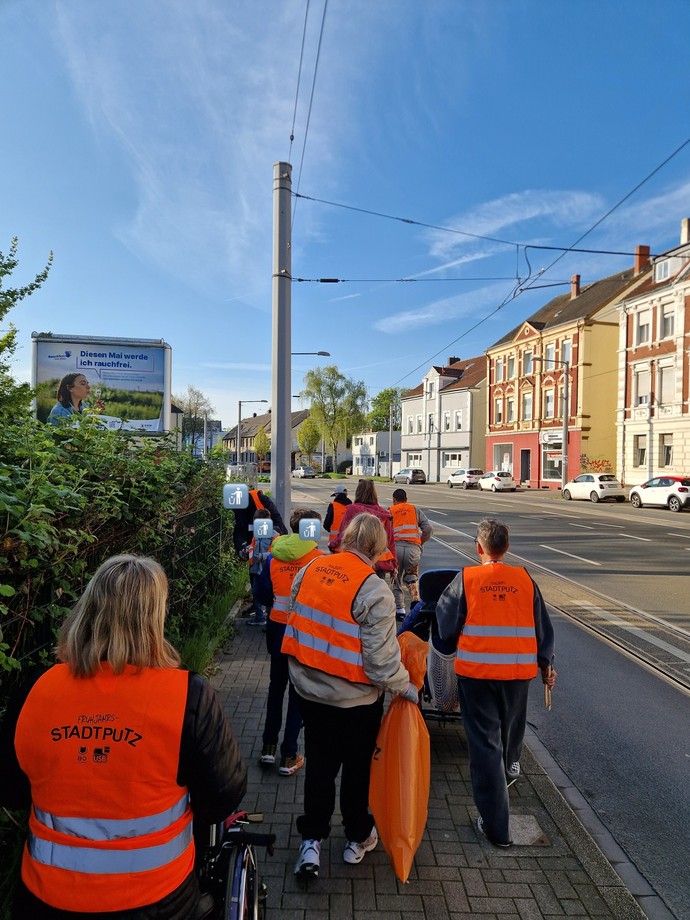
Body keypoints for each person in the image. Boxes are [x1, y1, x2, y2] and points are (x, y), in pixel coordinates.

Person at [0, 554, 247, 919]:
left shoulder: (37, 689)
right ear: (154, 618)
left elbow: (11, 789)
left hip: (45, 899)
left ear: (87, 610)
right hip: (157, 899)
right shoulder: (188, 696)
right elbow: (222, 795)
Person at [282, 513, 418, 880]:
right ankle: (357, 837)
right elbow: (380, 662)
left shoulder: (310, 570)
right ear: (377, 548)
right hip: (357, 702)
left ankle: (311, 841)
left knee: (320, 767)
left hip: (310, 692)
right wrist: (407, 688)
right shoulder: (374, 591)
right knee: (357, 770)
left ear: (344, 538)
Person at [431, 518, 556, 848]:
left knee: (485, 744)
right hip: (517, 676)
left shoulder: (467, 578)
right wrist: (547, 666)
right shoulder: (524, 579)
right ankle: (509, 774)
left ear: (478, 547)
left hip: (478, 675)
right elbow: (542, 627)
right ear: (507, 547)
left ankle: (497, 827)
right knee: (510, 736)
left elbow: (445, 626)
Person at [255, 508, 324, 776]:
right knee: (298, 693)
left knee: (276, 688)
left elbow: (261, 594)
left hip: (277, 629)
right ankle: (289, 755)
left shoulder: (274, 557)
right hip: (303, 635)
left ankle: (268, 748)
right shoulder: (319, 560)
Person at [330, 479, 396, 577]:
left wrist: (332, 545)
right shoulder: (383, 514)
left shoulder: (352, 510)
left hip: (355, 562)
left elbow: (343, 536)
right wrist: (394, 565)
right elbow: (390, 541)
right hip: (377, 564)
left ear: (358, 492)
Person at [389, 487, 433, 619]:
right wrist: (420, 542)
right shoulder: (414, 509)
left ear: (394, 500)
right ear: (406, 499)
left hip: (396, 549)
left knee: (396, 580)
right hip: (413, 550)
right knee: (411, 576)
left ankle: (400, 610)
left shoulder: (390, 511)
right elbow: (428, 529)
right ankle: (415, 601)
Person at [232, 487, 287, 558]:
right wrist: (240, 549)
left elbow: (278, 523)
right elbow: (238, 530)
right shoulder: (238, 508)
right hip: (255, 549)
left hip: (273, 546)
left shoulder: (261, 500)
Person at [246, 508, 273, 626]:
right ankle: (259, 617)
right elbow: (252, 546)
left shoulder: (274, 535)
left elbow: (275, 553)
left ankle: (269, 620)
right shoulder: (257, 534)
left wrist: (262, 556)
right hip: (256, 569)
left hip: (267, 570)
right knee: (256, 593)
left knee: (267, 594)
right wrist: (246, 551)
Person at [323, 483, 352, 551]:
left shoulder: (333, 505)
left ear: (336, 495)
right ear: (346, 494)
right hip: (349, 544)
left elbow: (326, 524)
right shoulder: (352, 506)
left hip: (335, 543)